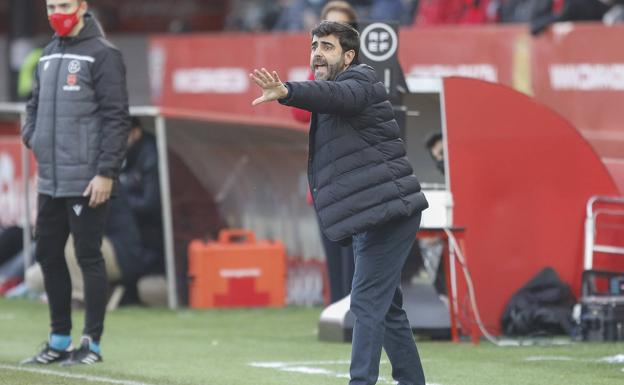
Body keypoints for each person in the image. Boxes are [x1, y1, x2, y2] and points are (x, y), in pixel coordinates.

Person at [250, 21, 429, 385]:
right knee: (386, 309)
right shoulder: (329, 90)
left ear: (348, 56)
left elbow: (335, 98)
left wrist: (286, 90)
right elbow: (324, 98)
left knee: (363, 303)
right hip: (370, 216)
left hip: (390, 214)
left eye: (327, 46)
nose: (317, 51)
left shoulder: (361, 80)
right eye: (314, 45)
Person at [20, 0, 130, 366]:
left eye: (64, 4)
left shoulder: (103, 54)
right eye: (51, 5)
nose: (56, 11)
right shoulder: (48, 54)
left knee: (87, 257)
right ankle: (59, 339)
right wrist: (32, 135)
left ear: (82, 6)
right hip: (50, 180)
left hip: (87, 180)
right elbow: (33, 104)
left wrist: (105, 173)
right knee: (48, 255)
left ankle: (91, 344)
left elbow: (117, 118)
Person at [293, 0, 359, 304]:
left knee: (356, 263)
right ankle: (337, 315)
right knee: (334, 260)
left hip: (356, 186)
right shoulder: (317, 76)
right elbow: (300, 114)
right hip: (324, 183)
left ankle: (355, 319)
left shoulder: (362, 78)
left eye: (341, 28)